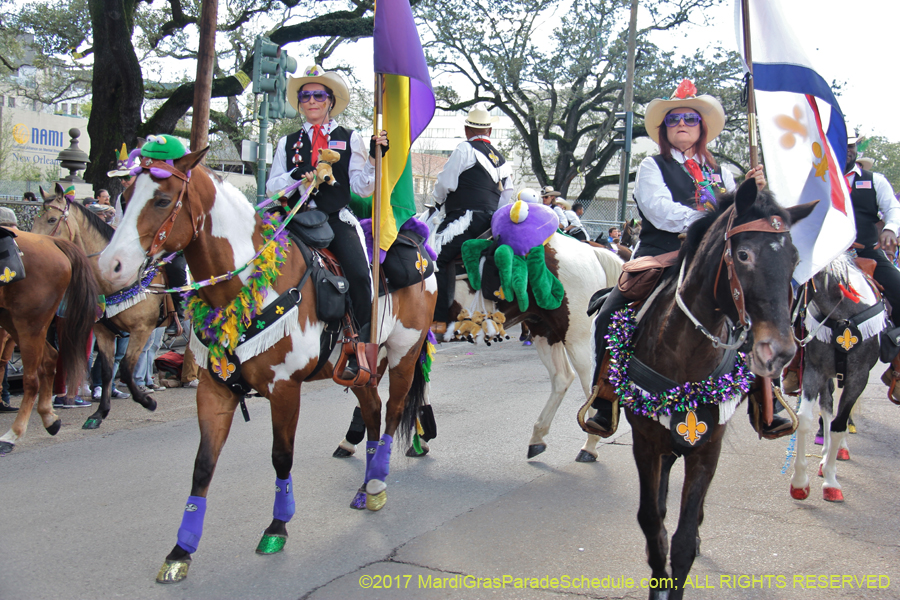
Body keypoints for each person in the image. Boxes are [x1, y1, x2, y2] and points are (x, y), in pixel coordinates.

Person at [582, 78, 776, 437]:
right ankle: (604, 398)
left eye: (690, 119)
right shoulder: (651, 167)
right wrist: (715, 221)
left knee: (763, 305)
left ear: (701, 127)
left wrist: (754, 193)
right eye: (674, 120)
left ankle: (767, 396)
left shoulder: (724, 173)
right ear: (663, 129)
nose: (682, 125)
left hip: (717, 258)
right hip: (664, 253)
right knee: (609, 313)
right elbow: (659, 212)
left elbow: (743, 217)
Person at [266, 64, 387, 378]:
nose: (311, 101)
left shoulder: (351, 138)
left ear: (330, 101)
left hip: (333, 218)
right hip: (294, 217)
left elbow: (362, 186)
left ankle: (361, 349)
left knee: (361, 277)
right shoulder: (286, 142)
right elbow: (272, 185)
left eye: (318, 95)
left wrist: (375, 158)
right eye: (305, 96)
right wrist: (296, 177)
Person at [429, 103, 514, 338]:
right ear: (489, 131)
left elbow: (446, 183)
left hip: (465, 218)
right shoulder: (502, 159)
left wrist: (438, 201)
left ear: (468, 129)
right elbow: (506, 197)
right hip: (490, 221)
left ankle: (438, 318)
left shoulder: (464, 149)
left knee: (433, 253)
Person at [844, 135, 900, 394]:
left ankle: (896, 361)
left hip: (868, 253)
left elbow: (893, 209)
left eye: (851, 146)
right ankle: (792, 368)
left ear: (856, 149)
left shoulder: (875, 180)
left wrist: (890, 229)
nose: (847, 150)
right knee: (790, 295)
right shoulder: (820, 178)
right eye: (841, 145)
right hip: (829, 256)